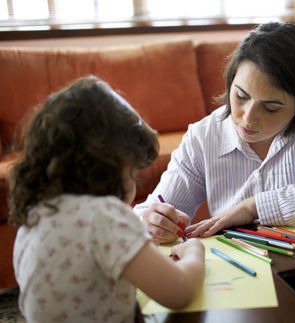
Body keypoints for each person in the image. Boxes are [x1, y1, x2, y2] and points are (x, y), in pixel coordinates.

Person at [134, 22, 295, 243]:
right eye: (241, 96)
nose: (248, 117)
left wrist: (254, 207)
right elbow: (158, 207)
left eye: (271, 107)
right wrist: (151, 219)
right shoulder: (204, 136)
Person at [9, 76, 205, 322]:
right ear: (106, 167)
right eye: (132, 173)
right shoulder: (105, 216)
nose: (134, 186)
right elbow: (180, 292)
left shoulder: (36, 213)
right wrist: (195, 251)